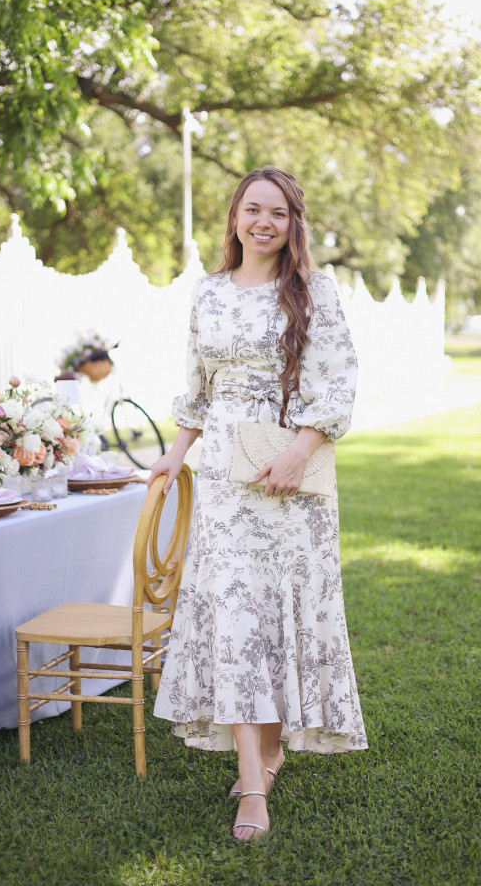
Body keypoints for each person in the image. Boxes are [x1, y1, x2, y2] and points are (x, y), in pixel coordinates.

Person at [148, 166, 367, 842]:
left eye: (277, 212)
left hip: (290, 479)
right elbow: (198, 386)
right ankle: (251, 782)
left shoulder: (314, 291)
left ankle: (270, 749)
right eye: (252, 209)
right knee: (238, 621)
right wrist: (175, 452)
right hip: (223, 480)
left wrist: (299, 451)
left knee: (277, 614)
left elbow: (337, 381)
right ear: (235, 217)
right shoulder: (207, 293)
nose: (263, 221)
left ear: (292, 222)